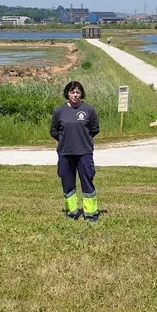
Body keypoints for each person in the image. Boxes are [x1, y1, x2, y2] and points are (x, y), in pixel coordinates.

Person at [50, 81, 101, 222]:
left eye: (78, 92)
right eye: (72, 92)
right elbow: (53, 130)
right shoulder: (59, 111)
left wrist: (84, 139)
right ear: (67, 93)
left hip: (84, 152)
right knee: (67, 182)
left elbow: (95, 129)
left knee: (87, 180)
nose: (75, 95)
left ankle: (91, 213)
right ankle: (72, 212)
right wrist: (63, 139)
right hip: (65, 153)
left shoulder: (89, 110)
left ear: (81, 94)